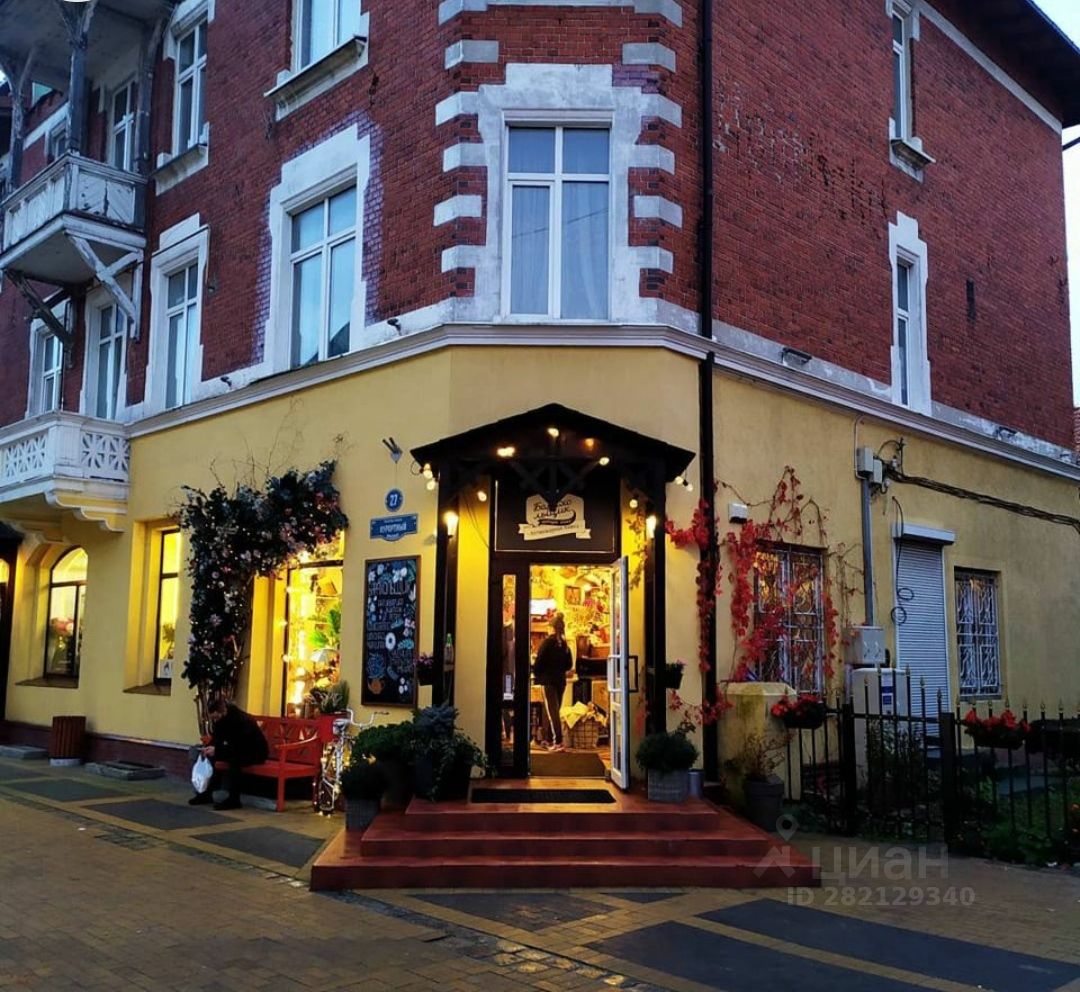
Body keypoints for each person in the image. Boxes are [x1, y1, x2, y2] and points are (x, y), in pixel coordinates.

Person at [189, 695, 269, 810]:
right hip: (237, 749)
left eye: (216, 718)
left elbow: (240, 745)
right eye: (213, 719)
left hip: (255, 752)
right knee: (213, 758)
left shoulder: (241, 720)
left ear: (223, 712)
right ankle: (206, 794)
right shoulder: (220, 720)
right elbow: (218, 738)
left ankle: (234, 799)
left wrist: (217, 750)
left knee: (234, 760)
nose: (215, 721)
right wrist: (209, 748)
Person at [533, 613, 573, 751]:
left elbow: (539, 662)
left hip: (548, 681)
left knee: (552, 712)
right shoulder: (564, 645)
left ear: (552, 627)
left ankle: (558, 742)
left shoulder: (547, 643)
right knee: (554, 711)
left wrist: (537, 673)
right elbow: (569, 664)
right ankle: (548, 739)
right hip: (560, 681)